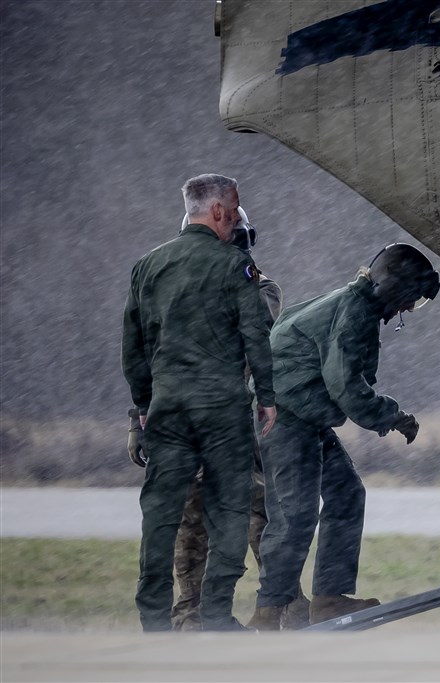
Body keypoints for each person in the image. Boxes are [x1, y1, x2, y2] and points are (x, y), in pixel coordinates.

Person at [248, 243, 440, 630]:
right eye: (409, 300)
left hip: (305, 417)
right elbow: (347, 388)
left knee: (346, 493)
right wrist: (394, 416)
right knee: (294, 516)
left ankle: (329, 599)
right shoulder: (353, 314)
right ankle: (267, 615)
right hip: (286, 420)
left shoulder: (348, 302)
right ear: (393, 288)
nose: (406, 310)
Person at [121, 173, 277, 632]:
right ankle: (211, 615)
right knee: (244, 514)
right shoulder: (243, 276)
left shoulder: (154, 268)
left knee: (174, 518)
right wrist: (267, 399)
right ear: (221, 218)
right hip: (221, 415)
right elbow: (255, 340)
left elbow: (138, 347)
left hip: (171, 413)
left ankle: (182, 619)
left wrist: (142, 411)